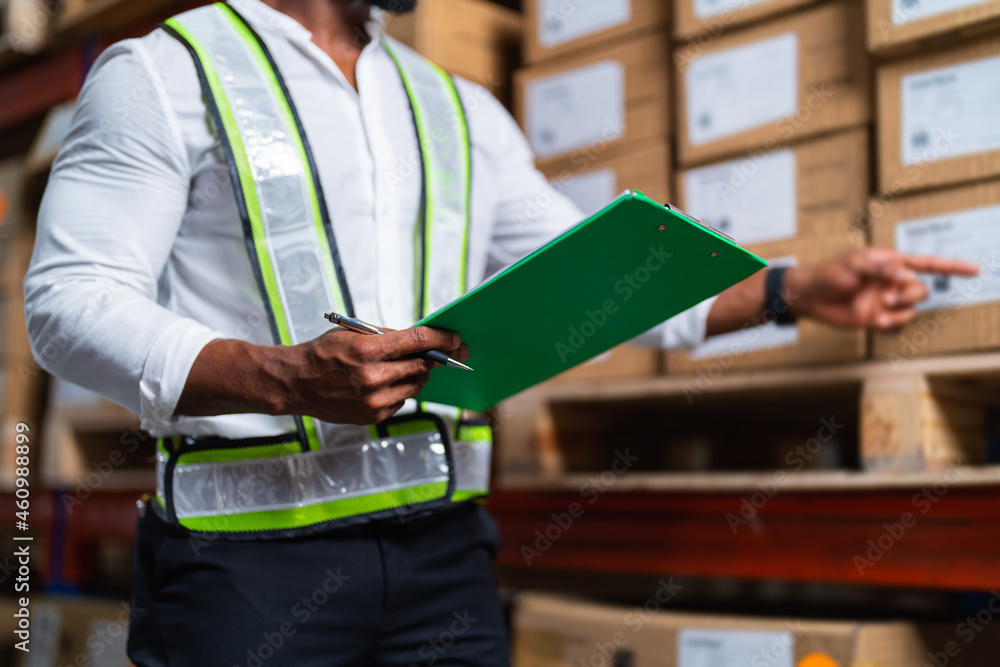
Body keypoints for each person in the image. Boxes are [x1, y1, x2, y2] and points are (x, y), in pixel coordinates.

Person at [23, 0, 977, 665]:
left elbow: (601, 281)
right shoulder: (163, 74)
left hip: (445, 563)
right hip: (245, 574)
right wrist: (284, 377)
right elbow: (69, 304)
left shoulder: (458, 109)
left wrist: (795, 289)